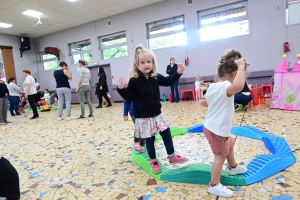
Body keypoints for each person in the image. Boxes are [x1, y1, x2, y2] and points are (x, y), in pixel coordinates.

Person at [117, 45, 187, 173]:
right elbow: (129, 96)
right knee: (149, 139)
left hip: (157, 113)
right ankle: (153, 159)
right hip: (143, 116)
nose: (146, 65)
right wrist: (121, 89)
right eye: (142, 62)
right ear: (137, 64)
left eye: (149, 62)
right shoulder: (134, 80)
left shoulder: (155, 76)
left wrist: (178, 73)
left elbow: (167, 81)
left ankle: (172, 155)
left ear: (153, 63)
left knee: (166, 132)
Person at [200, 50, 248, 198]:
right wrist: (241, 66)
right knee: (219, 157)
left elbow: (205, 102)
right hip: (217, 130)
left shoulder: (214, 86)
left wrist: (203, 101)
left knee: (230, 144)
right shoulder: (226, 87)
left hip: (213, 127)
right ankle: (214, 185)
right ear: (234, 73)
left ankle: (232, 167)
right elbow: (239, 86)